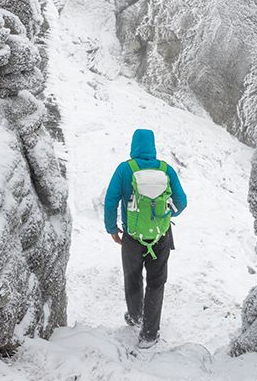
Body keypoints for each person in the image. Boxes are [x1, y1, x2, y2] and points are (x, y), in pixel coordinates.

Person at [104, 128, 187, 348]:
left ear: (134, 146)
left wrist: (112, 228)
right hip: (161, 236)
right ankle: (149, 334)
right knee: (156, 282)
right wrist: (165, 214)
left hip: (132, 237)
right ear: (153, 146)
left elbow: (111, 200)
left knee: (132, 277)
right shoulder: (165, 169)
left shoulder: (125, 169)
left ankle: (135, 317)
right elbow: (182, 202)